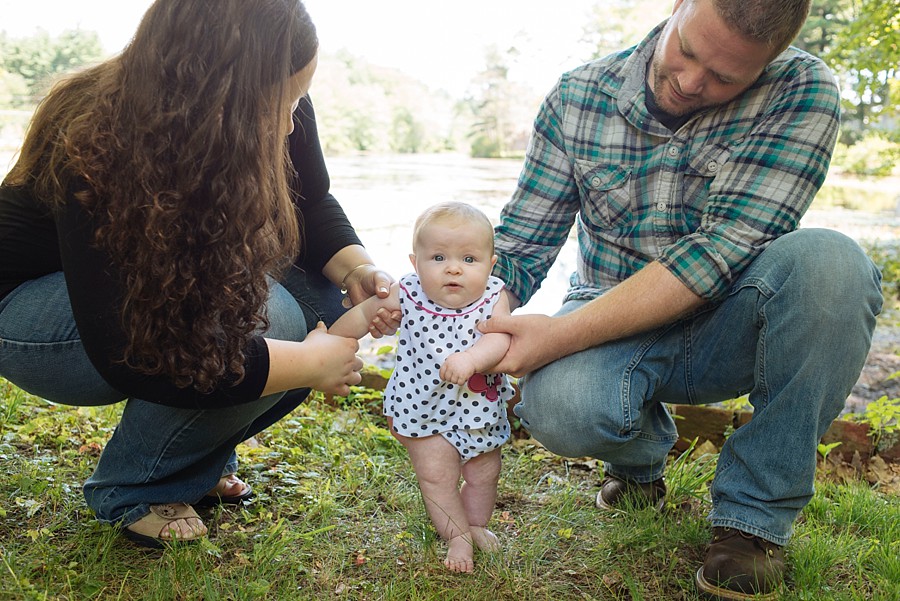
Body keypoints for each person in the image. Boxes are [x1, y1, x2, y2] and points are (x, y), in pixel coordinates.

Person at [478, 0, 883, 598]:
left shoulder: (803, 89)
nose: (691, 83)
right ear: (677, 8)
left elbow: (716, 253)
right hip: (609, 314)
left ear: (768, 62)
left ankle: (752, 522)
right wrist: (466, 322)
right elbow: (521, 246)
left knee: (833, 265)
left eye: (725, 77)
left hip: (732, 316)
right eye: (687, 52)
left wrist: (554, 336)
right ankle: (639, 465)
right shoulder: (578, 97)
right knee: (561, 407)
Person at [0, 0, 399, 548]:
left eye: (299, 99)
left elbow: (310, 201)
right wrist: (307, 362)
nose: (289, 122)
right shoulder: (98, 132)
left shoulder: (270, 92)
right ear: (221, 89)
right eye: (282, 102)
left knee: (325, 302)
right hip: (30, 314)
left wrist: (358, 266)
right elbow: (135, 350)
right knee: (272, 319)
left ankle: (193, 459)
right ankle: (134, 485)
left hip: (121, 300)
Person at [330, 201, 514, 572]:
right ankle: (456, 536)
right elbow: (364, 316)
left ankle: (475, 524)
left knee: (483, 473)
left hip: (477, 409)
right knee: (437, 477)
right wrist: (333, 342)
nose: (453, 268)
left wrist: (472, 360)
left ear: (490, 265)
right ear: (415, 263)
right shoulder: (409, 292)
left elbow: (501, 339)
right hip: (421, 407)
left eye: (469, 259)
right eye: (439, 257)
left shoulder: (494, 296)